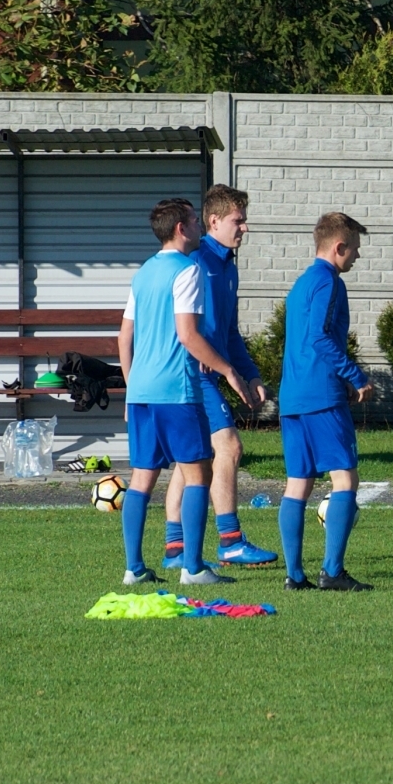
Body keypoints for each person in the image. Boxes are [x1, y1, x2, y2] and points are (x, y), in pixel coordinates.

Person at [116, 198, 253, 587]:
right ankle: (193, 568)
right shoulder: (188, 269)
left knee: (142, 478)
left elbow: (124, 337)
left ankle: (133, 569)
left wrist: (131, 387)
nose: (199, 227)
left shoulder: (143, 273)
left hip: (142, 392)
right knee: (198, 474)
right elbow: (188, 335)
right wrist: (229, 370)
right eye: (195, 221)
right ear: (181, 228)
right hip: (176, 389)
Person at [159, 185, 275, 571]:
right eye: (237, 220)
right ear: (213, 222)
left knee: (192, 460)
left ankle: (174, 547)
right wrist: (222, 369)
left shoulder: (227, 266)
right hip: (191, 372)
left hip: (208, 371)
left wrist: (251, 373)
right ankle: (230, 541)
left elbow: (227, 333)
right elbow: (187, 329)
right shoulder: (196, 261)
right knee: (229, 447)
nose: (244, 228)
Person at [276, 213, 376, 591]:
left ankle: (294, 575)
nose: (356, 258)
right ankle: (333, 572)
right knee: (345, 477)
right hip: (321, 396)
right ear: (339, 247)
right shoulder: (329, 283)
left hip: (293, 397)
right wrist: (354, 375)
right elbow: (319, 337)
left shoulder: (301, 284)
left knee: (297, 484)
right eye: (355, 251)